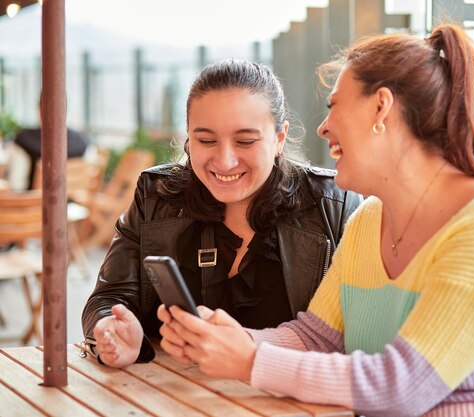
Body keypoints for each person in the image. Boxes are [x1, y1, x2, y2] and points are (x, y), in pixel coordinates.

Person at [157, 25, 474, 417]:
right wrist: (235, 340)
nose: (323, 128)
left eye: (335, 105)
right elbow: (318, 337)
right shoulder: (369, 220)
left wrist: (251, 362)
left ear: (381, 107)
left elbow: (402, 388)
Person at [81, 59, 362, 368]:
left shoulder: (333, 205)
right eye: (206, 140)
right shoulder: (155, 196)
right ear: (188, 136)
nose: (225, 161)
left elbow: (350, 338)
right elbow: (108, 298)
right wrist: (116, 331)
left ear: (279, 139)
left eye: (245, 141)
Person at [7, 99, 88, 190]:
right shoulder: (80, 141)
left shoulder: (24, 140)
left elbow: (16, 186)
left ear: (39, 109)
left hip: (33, 203)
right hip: (72, 203)